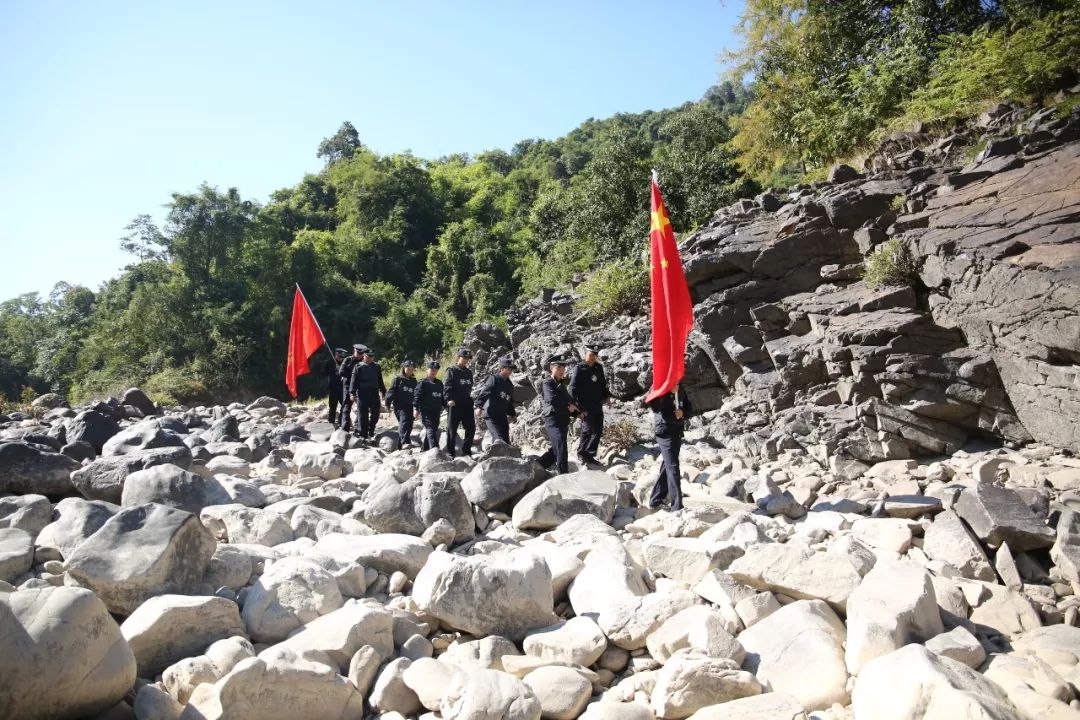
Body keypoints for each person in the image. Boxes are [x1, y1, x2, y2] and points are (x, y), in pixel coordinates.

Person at [648, 383, 693, 512]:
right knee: (673, 466)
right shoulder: (657, 386)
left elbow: (689, 407)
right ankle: (677, 506)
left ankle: (655, 499)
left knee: (668, 464)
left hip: (677, 431)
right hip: (664, 432)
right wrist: (670, 394)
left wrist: (683, 413)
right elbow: (656, 407)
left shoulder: (680, 387)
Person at [569, 344, 610, 467]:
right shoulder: (579, 368)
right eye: (591, 355)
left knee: (598, 430)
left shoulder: (598, 367)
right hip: (584, 406)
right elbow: (572, 388)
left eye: (595, 355)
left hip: (597, 404)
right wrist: (575, 407)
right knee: (587, 430)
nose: (593, 358)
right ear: (585, 354)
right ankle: (582, 454)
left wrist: (607, 397)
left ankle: (590, 456)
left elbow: (602, 384)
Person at [538, 357, 577, 475]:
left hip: (563, 420)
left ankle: (537, 465)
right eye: (558, 367)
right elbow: (552, 399)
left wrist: (578, 413)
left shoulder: (561, 384)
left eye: (563, 368)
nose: (561, 370)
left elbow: (570, 401)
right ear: (551, 368)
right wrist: (568, 406)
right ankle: (563, 475)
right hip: (553, 420)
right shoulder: (547, 383)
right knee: (561, 446)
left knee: (556, 450)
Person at [475, 355, 518, 446]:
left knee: (506, 441)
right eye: (508, 369)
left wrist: (512, 414)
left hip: (502, 416)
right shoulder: (494, 379)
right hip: (491, 414)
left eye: (511, 369)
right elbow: (485, 391)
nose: (510, 371)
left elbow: (509, 401)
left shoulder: (510, 385)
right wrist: (479, 406)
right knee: (499, 440)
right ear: (502, 369)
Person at [444, 348, 475, 457]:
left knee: (471, 428)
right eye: (464, 358)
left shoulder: (468, 372)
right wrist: (449, 399)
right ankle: (450, 452)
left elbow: (469, 387)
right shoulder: (451, 370)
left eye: (467, 358)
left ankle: (466, 451)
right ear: (458, 357)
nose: (466, 360)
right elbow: (447, 386)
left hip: (467, 404)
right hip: (455, 404)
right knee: (452, 429)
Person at [349, 347, 385, 442]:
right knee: (362, 415)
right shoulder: (358, 366)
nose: (370, 358)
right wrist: (352, 393)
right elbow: (353, 381)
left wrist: (383, 391)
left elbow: (380, 380)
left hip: (374, 393)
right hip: (362, 393)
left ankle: (371, 429)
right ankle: (363, 435)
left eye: (372, 357)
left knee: (375, 414)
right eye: (368, 356)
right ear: (364, 356)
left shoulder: (377, 366)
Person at [385, 360, 418, 447]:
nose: (410, 371)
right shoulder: (398, 379)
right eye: (408, 369)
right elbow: (391, 392)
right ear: (404, 368)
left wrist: (417, 406)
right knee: (404, 421)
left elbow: (416, 394)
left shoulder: (414, 381)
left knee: (410, 423)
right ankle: (403, 442)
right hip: (399, 405)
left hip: (409, 405)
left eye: (412, 369)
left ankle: (404, 442)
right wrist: (387, 404)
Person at [414, 361, 445, 451]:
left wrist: (446, 405)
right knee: (430, 428)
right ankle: (434, 448)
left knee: (434, 429)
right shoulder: (423, 383)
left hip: (436, 410)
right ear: (427, 370)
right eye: (432, 369)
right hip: (426, 410)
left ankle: (425, 449)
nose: (434, 372)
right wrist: (416, 409)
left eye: (436, 370)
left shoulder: (439, 383)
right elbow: (417, 396)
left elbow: (442, 397)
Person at [337, 344, 365, 431]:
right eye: (358, 353)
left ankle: (359, 427)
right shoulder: (348, 360)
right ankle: (345, 428)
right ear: (354, 351)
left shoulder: (364, 362)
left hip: (360, 387)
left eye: (361, 353)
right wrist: (352, 376)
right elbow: (341, 372)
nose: (359, 355)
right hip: (348, 386)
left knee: (361, 407)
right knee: (346, 407)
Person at [323, 347, 347, 426]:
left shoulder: (345, 362)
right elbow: (324, 373)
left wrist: (342, 370)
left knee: (344, 406)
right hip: (333, 388)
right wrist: (334, 370)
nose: (340, 358)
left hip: (342, 388)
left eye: (342, 357)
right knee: (332, 407)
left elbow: (349, 373)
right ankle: (331, 423)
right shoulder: (330, 362)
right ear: (336, 355)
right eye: (339, 357)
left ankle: (341, 422)